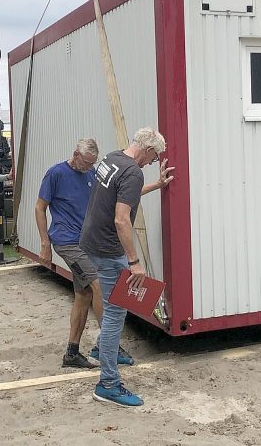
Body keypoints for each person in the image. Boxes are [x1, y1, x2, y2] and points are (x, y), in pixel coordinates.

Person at [81, 127, 173, 407]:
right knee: (115, 314)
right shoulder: (133, 171)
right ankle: (108, 383)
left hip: (91, 241)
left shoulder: (112, 159)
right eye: (154, 157)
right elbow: (122, 219)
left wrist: (157, 185)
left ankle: (102, 351)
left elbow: (124, 196)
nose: (152, 162)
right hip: (109, 250)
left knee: (114, 307)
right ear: (147, 149)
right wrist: (134, 262)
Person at [34, 138, 108, 369]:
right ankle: (110, 345)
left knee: (83, 295)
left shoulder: (90, 173)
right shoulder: (56, 173)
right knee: (98, 284)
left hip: (86, 242)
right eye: (86, 162)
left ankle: (72, 353)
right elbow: (39, 207)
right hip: (66, 241)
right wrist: (45, 243)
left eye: (92, 163)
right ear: (75, 154)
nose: (88, 167)